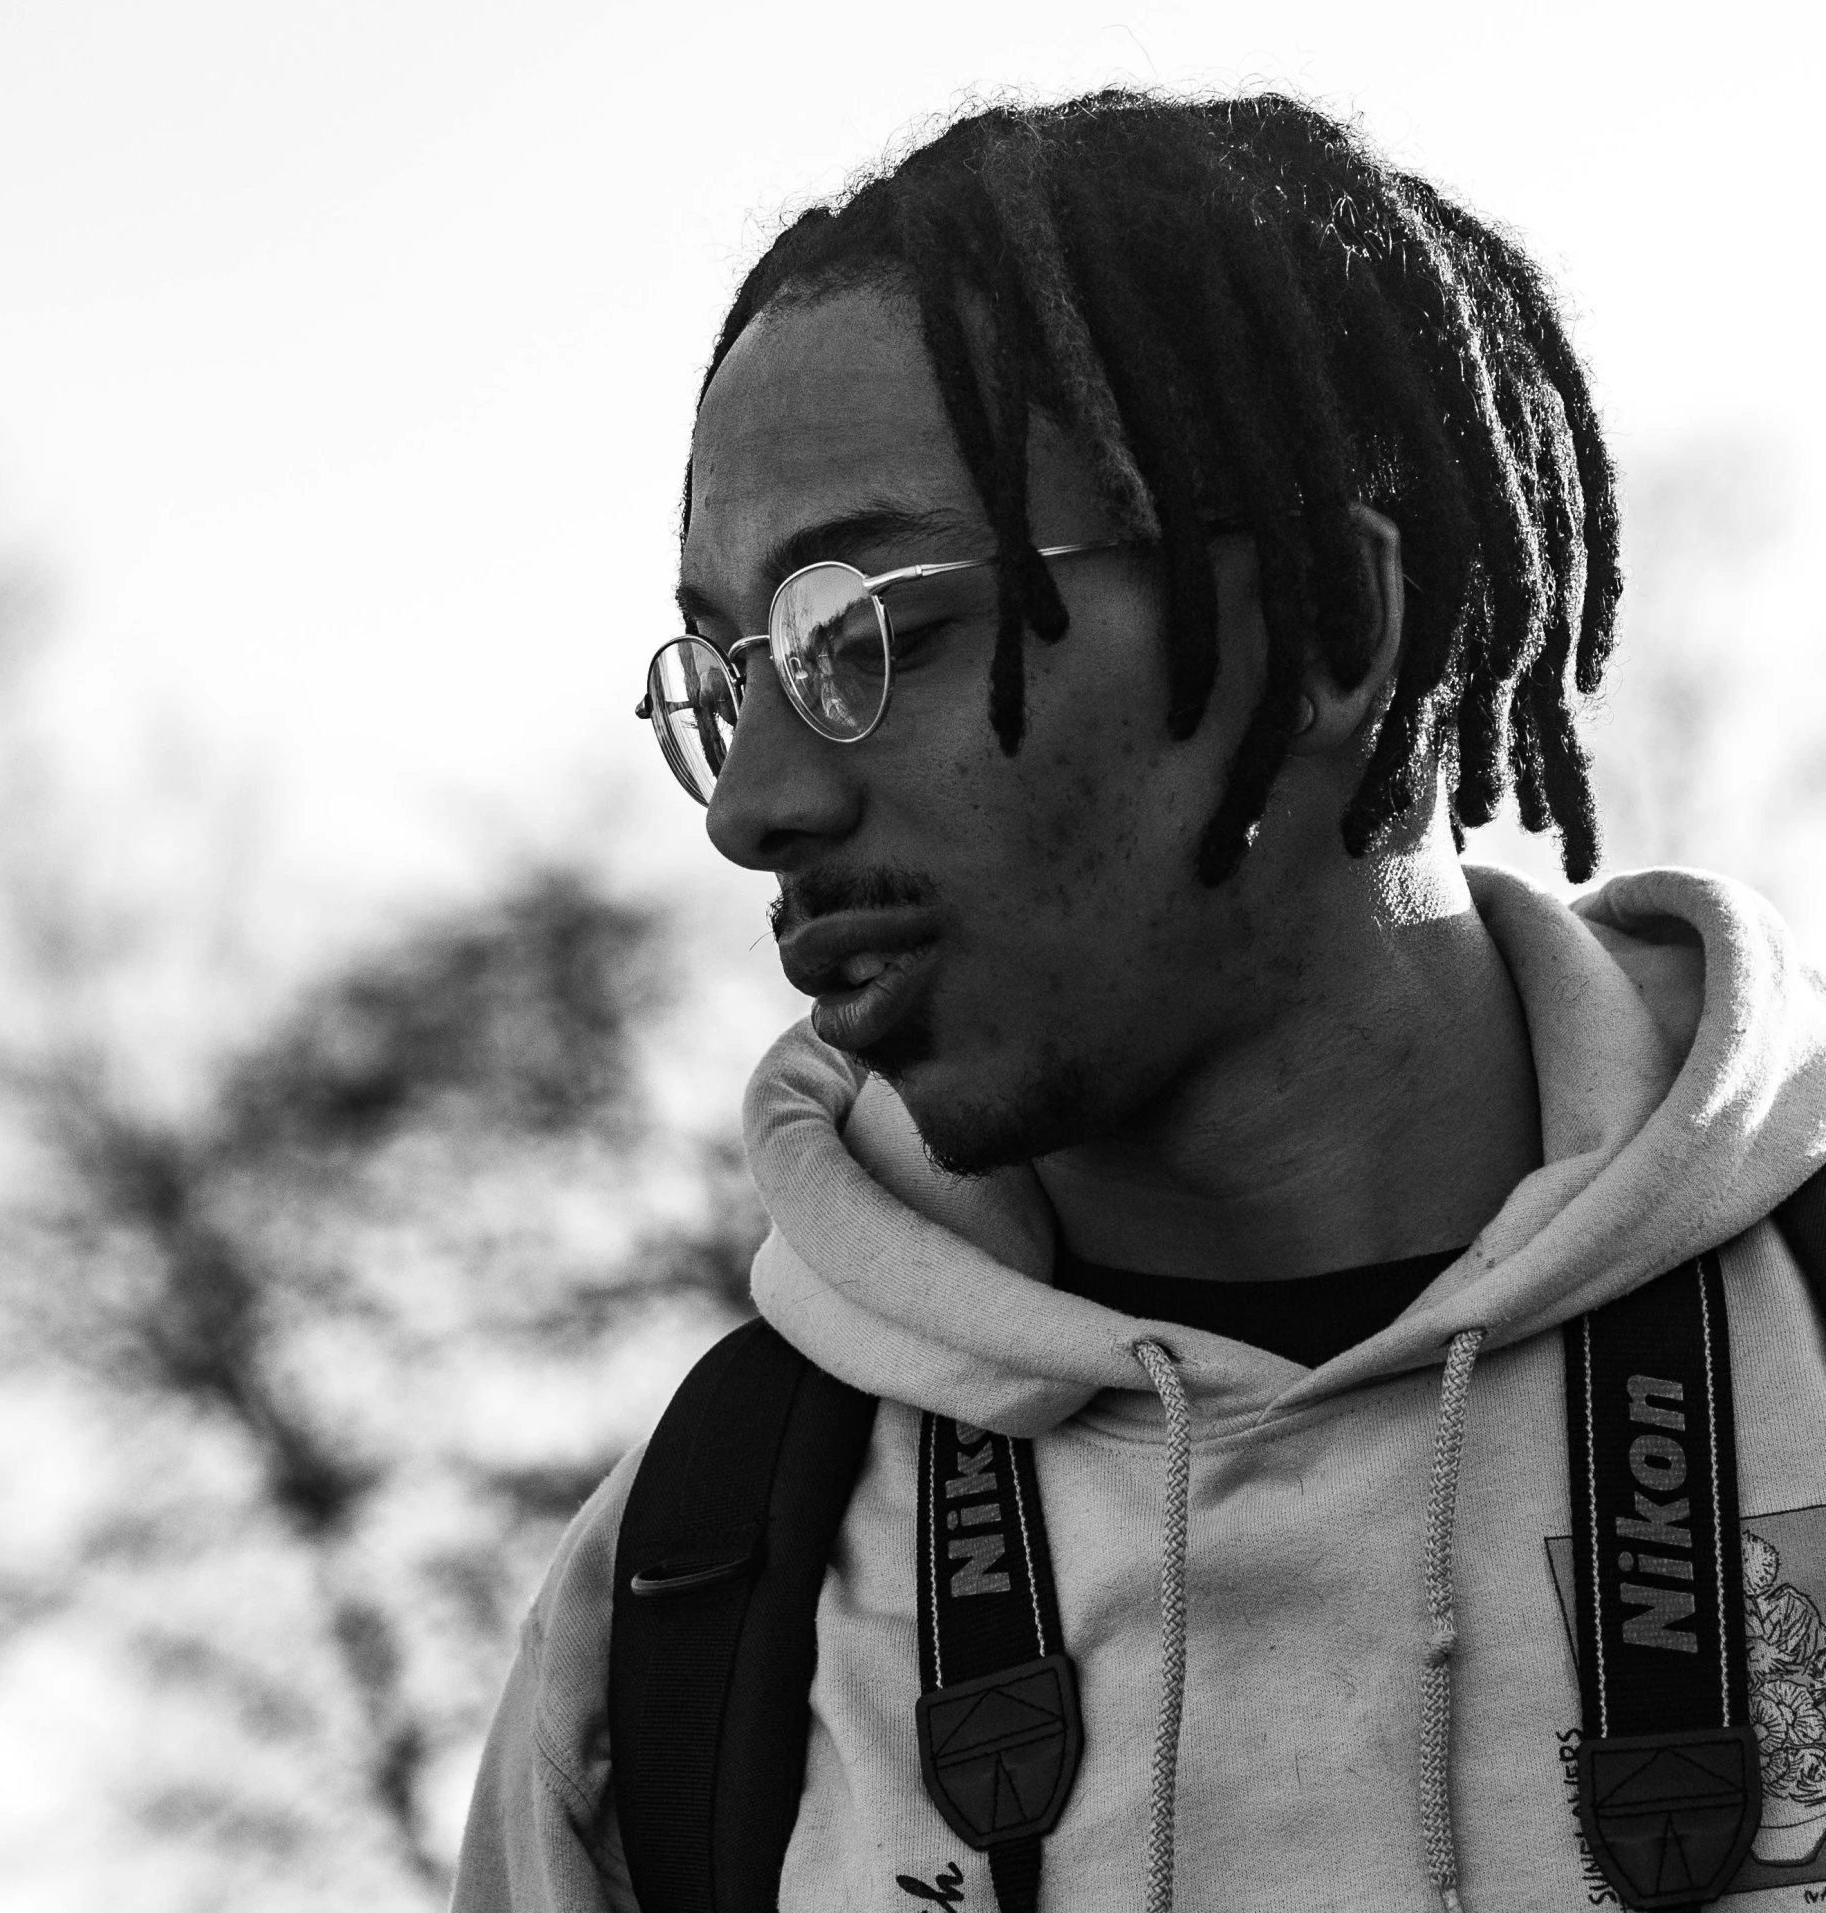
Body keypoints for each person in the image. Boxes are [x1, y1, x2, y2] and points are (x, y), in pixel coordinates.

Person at [453, 90, 1826, 1911]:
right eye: (727, 678)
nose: (752, 805)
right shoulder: (695, 1597)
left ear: (1333, 628)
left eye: (869, 633)